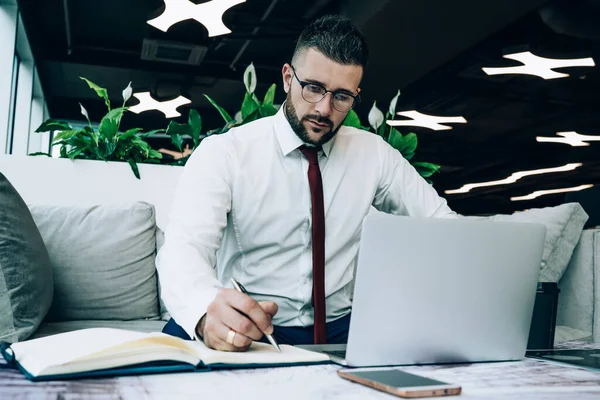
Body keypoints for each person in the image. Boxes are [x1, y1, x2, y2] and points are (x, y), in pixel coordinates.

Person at [156, 14, 456, 352]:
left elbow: (444, 227)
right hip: (254, 326)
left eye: (342, 96)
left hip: (341, 328)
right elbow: (184, 250)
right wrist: (203, 311)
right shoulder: (224, 154)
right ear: (288, 78)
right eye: (313, 88)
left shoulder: (375, 155)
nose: (324, 109)